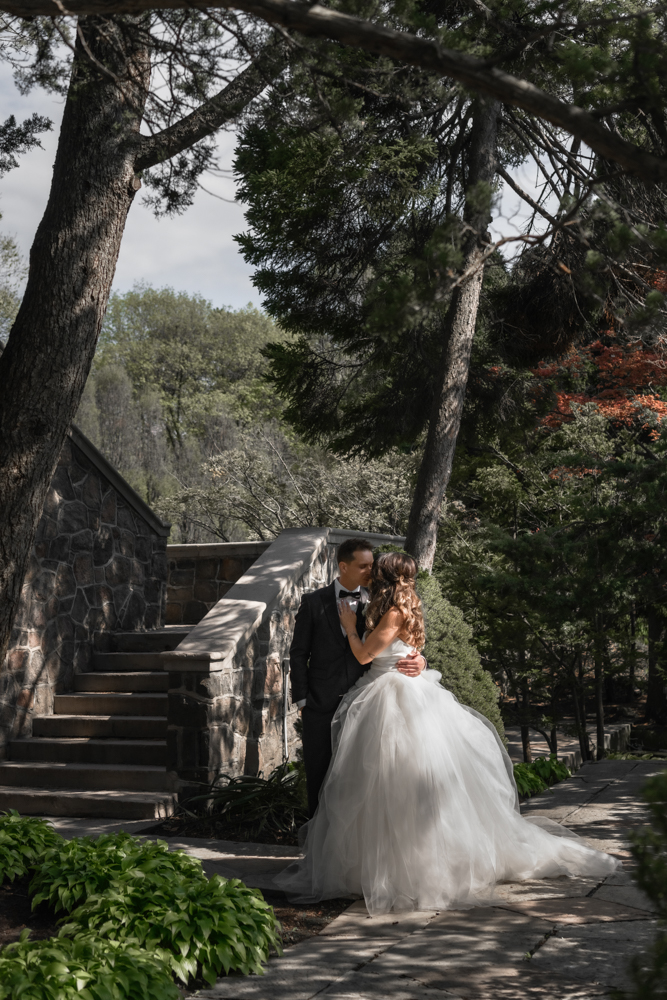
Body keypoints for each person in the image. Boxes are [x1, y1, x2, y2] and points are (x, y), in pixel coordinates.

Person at [276, 551, 621, 915]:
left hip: (392, 698)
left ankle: (411, 870)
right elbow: (401, 647)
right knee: (373, 785)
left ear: (386, 577)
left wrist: (350, 627)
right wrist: (415, 656)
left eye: (375, 569)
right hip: (378, 690)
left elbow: (365, 654)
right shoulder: (390, 602)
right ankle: (365, 864)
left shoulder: (392, 609)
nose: (370, 572)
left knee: (400, 785)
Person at [289, 538, 426, 818]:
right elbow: (298, 653)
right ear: (343, 566)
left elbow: (402, 638)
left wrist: (421, 661)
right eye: (363, 566)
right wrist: (302, 699)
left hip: (369, 706)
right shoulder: (314, 602)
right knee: (319, 777)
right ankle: (319, 855)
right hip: (321, 703)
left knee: (361, 783)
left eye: (372, 565)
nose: (370, 571)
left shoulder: (381, 599)